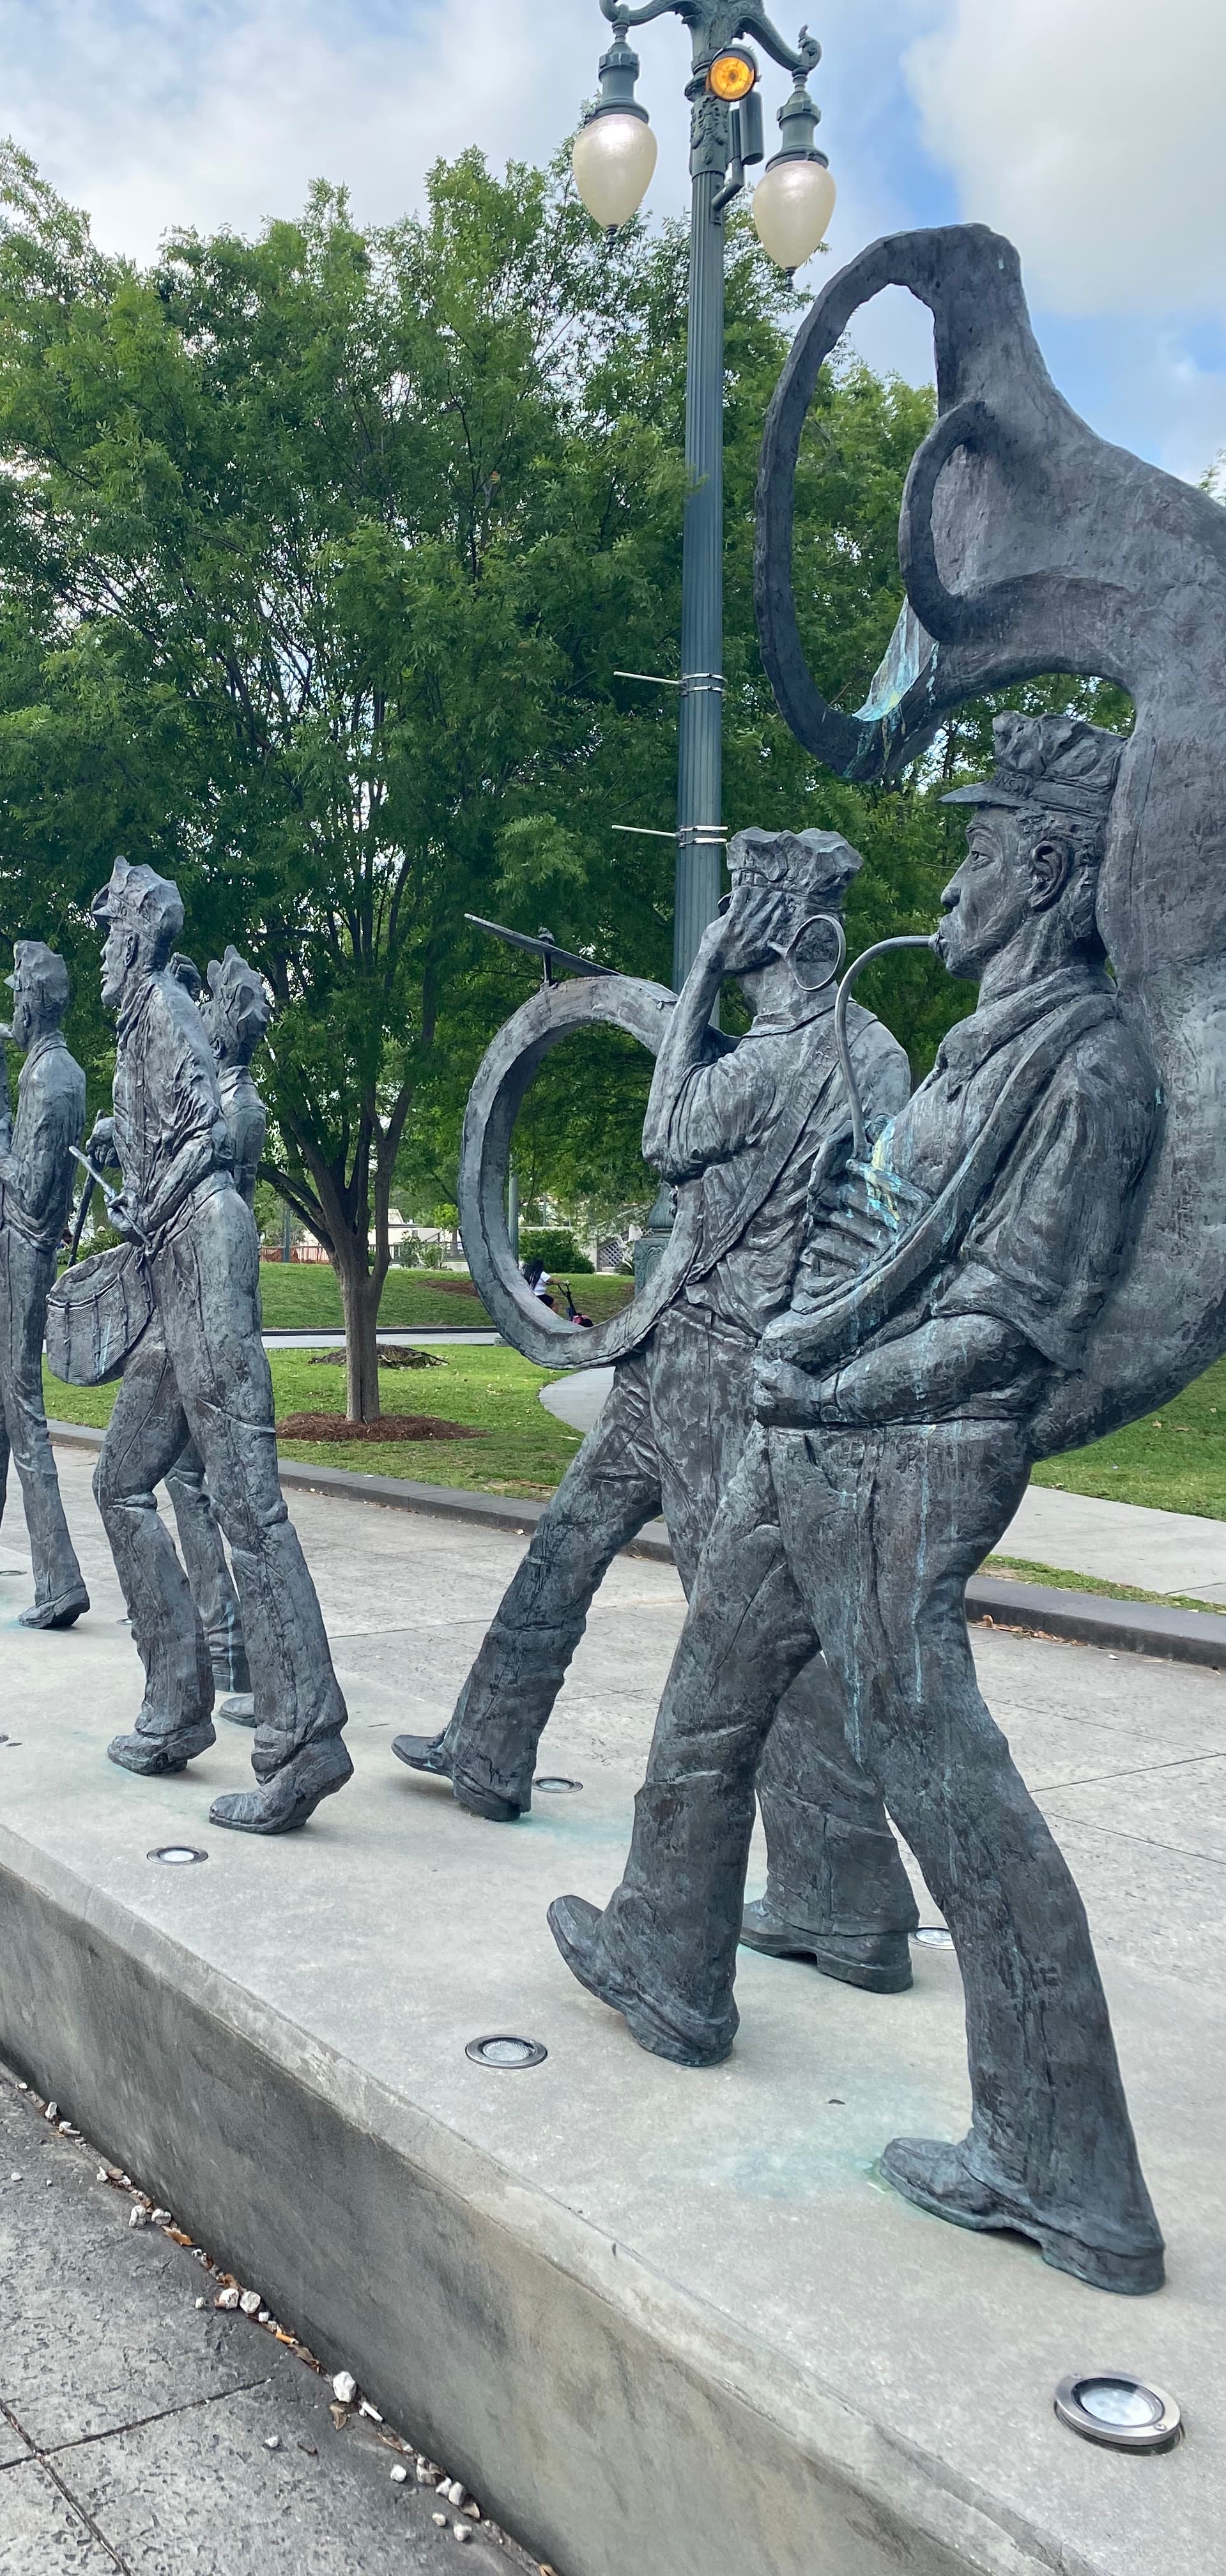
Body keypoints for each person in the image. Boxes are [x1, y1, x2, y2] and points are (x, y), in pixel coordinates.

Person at [548, 716, 1165, 2296]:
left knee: (939, 1768)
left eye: (974, 853)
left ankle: (1065, 2166)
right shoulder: (969, 1047)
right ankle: (667, 1958)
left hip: (908, 1456)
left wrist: (826, 1384)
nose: (946, 883)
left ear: (1040, 869)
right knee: (711, 1688)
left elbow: (1007, 1327)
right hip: (812, 1432)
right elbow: (889, 1242)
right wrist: (826, 1277)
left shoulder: (1083, 1066)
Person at [395, 829, 920, 1992]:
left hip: (715, 1366)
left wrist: (690, 985)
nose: (722, 928)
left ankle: (846, 1899)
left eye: (740, 914)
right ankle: (487, 1744)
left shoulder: (769, 1058)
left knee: (734, 1643)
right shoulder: (869, 1048)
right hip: (686, 1349)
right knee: (566, 1537)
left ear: (783, 935)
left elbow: (663, 1132)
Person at [88, 862, 351, 1833]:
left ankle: (302, 1741)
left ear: (136, 936)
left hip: (201, 1257)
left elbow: (205, 1141)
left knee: (246, 1502)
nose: (102, 953)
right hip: (170, 1270)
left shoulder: (160, 1004)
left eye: (107, 934)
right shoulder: (141, 1019)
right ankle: (174, 1708)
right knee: (119, 1480)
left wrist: (148, 1197)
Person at [0, 942, 89, 1627]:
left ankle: (59, 1577)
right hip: (20, 1251)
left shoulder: (49, 1079)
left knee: (21, 1410)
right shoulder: (51, 1068)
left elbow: (31, 1186)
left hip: (27, 1255)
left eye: (15, 1001)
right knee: (2, 1409)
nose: (11, 1012)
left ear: (32, 1003)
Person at [158, 949, 273, 1724]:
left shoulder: (239, 1107)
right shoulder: (223, 1092)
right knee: (195, 1482)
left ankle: (240, 1651)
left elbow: (201, 1164)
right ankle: (229, 1643)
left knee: (219, 1490)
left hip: (219, 1306)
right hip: (204, 1300)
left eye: (215, 1013)